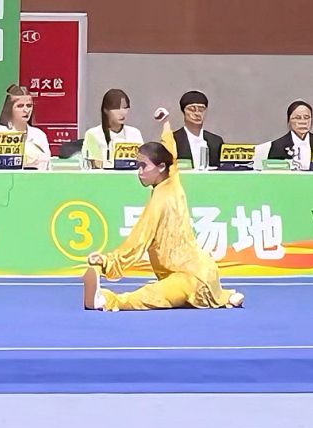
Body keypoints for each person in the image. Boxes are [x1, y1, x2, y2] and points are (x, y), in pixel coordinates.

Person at [84, 109, 243, 312]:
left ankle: (106, 300)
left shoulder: (159, 201)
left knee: (151, 295)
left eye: (144, 166)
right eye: (138, 166)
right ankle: (225, 296)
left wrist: (106, 262)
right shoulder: (172, 176)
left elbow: (137, 242)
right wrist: (166, 123)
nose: (139, 172)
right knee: (168, 289)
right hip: (201, 271)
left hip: (190, 278)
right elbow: (171, 150)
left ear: (160, 167)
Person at [80, 88, 142, 169]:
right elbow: (95, 165)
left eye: (125, 107)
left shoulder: (134, 133)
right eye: (116, 108)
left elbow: (142, 162)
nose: (122, 112)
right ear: (105, 110)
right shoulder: (92, 134)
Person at [0, 84, 51, 169]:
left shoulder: (39, 135)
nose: (26, 110)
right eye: (20, 106)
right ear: (9, 108)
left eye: (29, 105)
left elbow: (47, 165)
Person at [172, 90, 223, 171]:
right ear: (183, 111)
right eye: (192, 109)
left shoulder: (216, 141)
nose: (197, 113)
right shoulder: (173, 139)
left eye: (201, 110)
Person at [264, 100, 313, 171]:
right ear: (289, 121)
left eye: (306, 117)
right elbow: (273, 174)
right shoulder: (277, 146)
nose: (303, 122)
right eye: (297, 118)